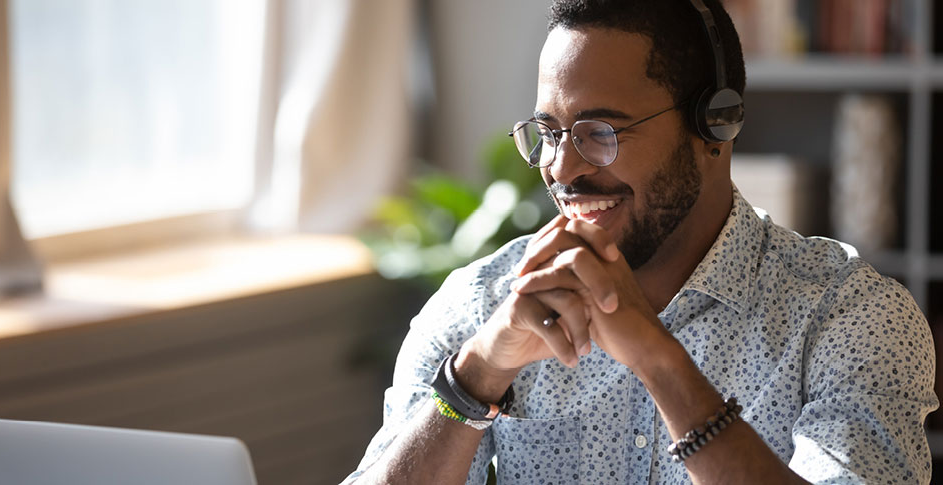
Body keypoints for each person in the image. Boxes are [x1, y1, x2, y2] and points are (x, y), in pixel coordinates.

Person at [342, 0, 939, 483]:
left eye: (599, 131)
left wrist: (659, 360)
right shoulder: (483, 304)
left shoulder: (853, 319)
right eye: (547, 132)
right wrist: (475, 378)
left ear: (716, 126)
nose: (561, 168)